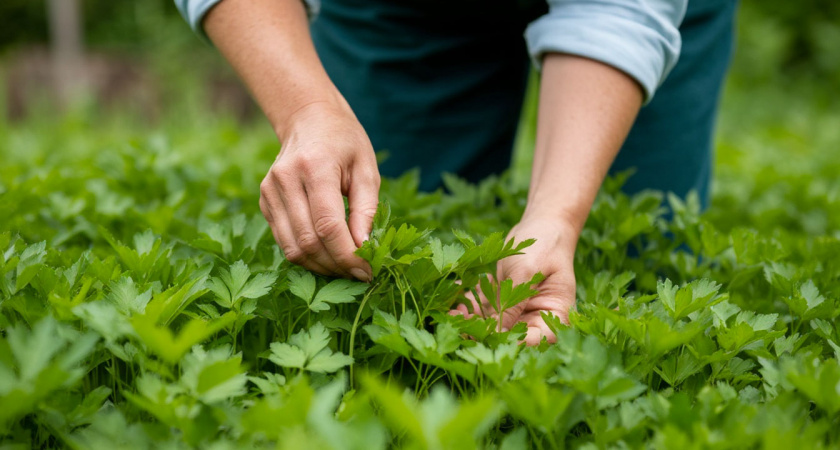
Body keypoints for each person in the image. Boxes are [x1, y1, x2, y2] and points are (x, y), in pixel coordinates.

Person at [175, 0, 737, 344]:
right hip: (402, 13)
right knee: (380, 266)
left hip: (634, 9)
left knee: (641, 260)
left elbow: (619, 9)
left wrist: (556, 220)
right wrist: (307, 109)